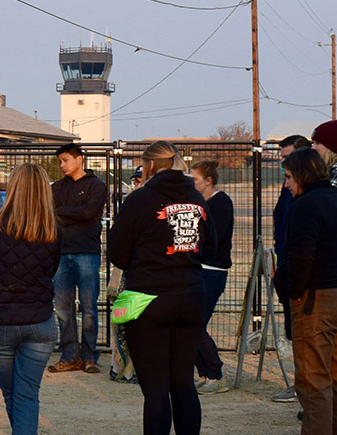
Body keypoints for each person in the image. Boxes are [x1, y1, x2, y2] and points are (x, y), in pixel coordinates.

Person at [109, 141, 216, 435]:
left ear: (151, 166)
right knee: (182, 383)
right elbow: (211, 247)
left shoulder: (140, 200)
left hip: (148, 297)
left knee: (155, 389)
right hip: (192, 294)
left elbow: (117, 253)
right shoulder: (196, 198)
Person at [0, 163, 63, 434]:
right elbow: (52, 269)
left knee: (12, 393)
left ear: (13, 188)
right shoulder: (53, 229)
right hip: (39, 320)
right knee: (26, 395)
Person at [275, 148, 337, 435]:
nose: (286, 184)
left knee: (313, 380)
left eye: (288, 177)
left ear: (303, 175)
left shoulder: (306, 204)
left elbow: (301, 255)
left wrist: (293, 292)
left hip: (317, 298)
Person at [49, 144, 108, 374]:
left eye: (65, 160)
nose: (62, 165)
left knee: (89, 307)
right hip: (61, 252)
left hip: (87, 252)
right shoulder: (56, 188)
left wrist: (63, 211)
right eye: (60, 161)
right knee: (63, 308)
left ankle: (89, 356)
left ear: (79, 159)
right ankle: (70, 355)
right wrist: (74, 212)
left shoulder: (96, 186)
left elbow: (88, 213)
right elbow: (54, 212)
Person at [270, 134, 312, 403]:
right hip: (286, 266)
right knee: (294, 332)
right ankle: (301, 384)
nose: (283, 164)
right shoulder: (288, 189)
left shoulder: (308, 193)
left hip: (302, 274)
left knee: (306, 333)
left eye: (287, 157)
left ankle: (309, 387)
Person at [188, 161, 235, 395]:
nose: (192, 184)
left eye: (195, 179)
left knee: (195, 324)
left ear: (208, 180)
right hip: (199, 268)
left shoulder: (221, 202)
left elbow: (210, 237)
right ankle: (205, 373)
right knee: (191, 324)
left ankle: (216, 374)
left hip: (212, 270)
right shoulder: (200, 203)